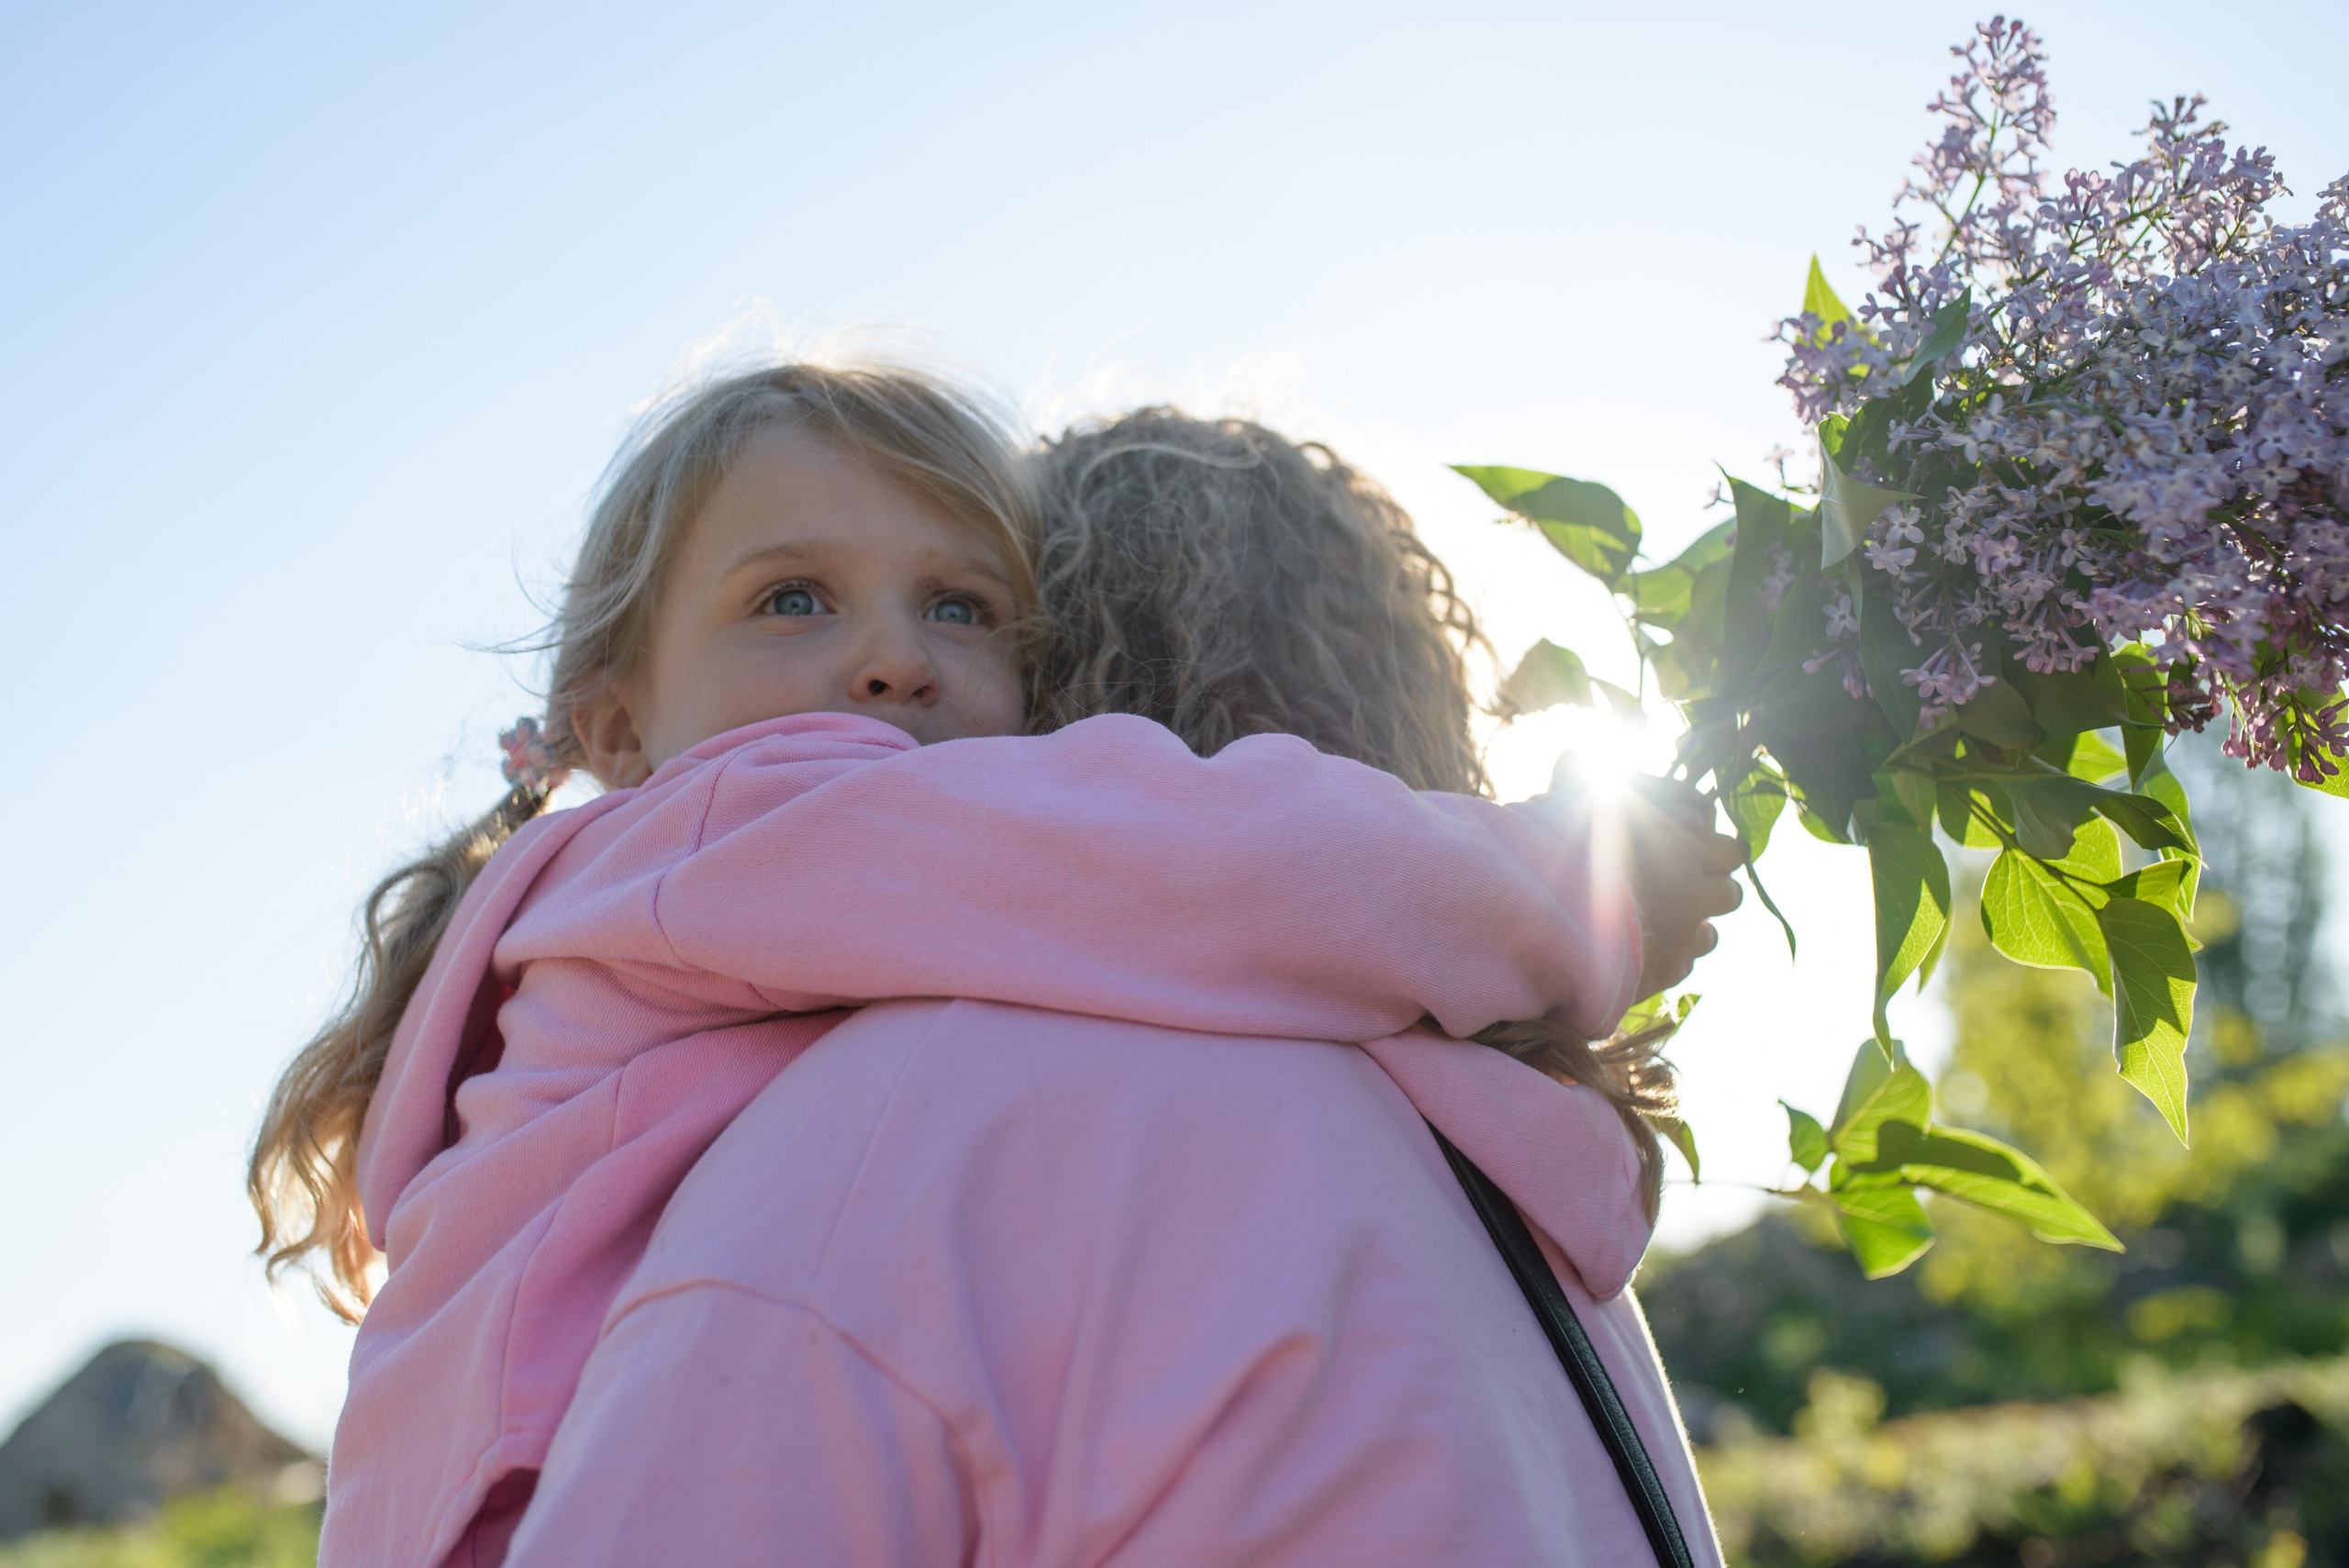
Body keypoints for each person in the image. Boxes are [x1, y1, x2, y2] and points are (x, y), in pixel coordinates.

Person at [246, 370, 1738, 1568]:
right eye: (793, 599)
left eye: (961, 606)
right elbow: (1175, 859)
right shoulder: (760, 827)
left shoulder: (829, 1004)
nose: (892, 657)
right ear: (618, 728)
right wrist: (1557, 890)